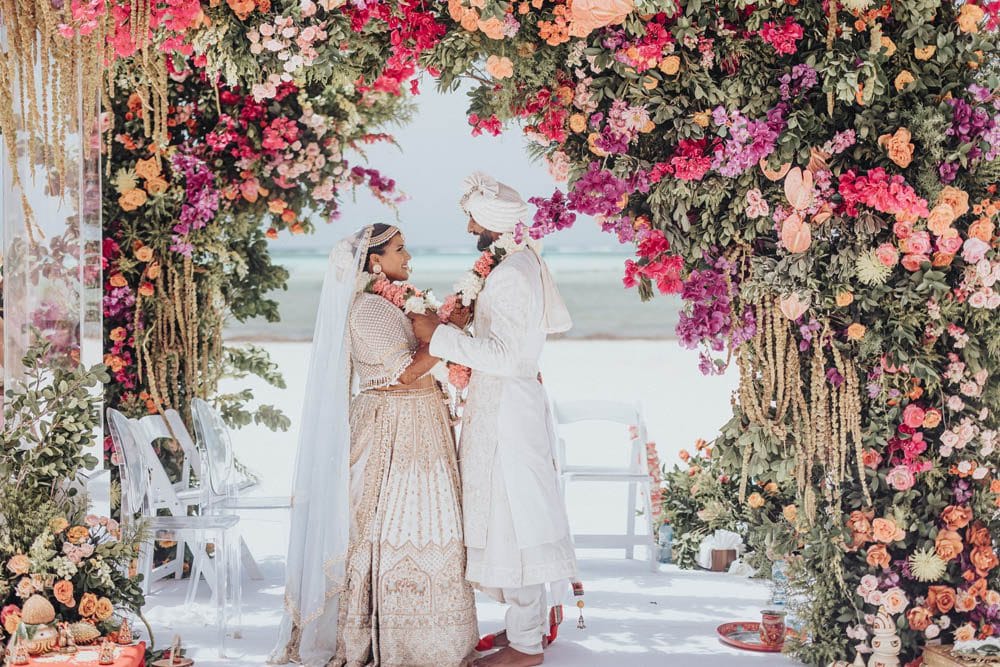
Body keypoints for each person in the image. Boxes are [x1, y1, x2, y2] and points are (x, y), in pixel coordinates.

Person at [269, 224, 478, 667]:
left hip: (422, 420)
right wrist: (451, 333)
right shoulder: (367, 309)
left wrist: (446, 333)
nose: (409, 257)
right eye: (399, 250)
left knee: (432, 526)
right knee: (388, 529)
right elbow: (405, 371)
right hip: (393, 424)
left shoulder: (395, 301)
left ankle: (438, 634)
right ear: (373, 261)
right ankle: (393, 639)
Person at [409, 173, 578, 667]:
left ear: (491, 222)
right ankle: (521, 629)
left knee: (514, 520)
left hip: (507, 412)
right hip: (503, 407)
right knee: (506, 518)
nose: (467, 227)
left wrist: (436, 336)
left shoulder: (510, 275)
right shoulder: (515, 264)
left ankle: (527, 647)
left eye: (472, 217)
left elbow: (503, 356)